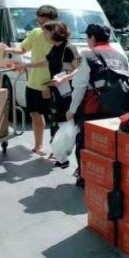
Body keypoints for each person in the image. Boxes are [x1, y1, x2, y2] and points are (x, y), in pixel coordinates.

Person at [66, 24, 129, 187]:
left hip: (94, 109)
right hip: (118, 109)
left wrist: (72, 110)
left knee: (86, 143)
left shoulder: (88, 55)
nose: (87, 41)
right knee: (111, 145)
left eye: (87, 38)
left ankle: (84, 176)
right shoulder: (120, 56)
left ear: (93, 38)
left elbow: (80, 86)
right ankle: (111, 179)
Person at [16, 21, 80, 167]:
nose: (44, 35)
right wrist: (26, 65)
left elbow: (80, 69)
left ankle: (64, 157)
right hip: (56, 90)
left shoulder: (69, 48)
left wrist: (64, 78)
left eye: (45, 32)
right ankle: (59, 155)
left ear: (54, 32)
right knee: (56, 122)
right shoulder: (54, 48)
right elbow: (45, 62)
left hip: (68, 92)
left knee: (66, 124)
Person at [0, 5, 58, 156]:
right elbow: (23, 49)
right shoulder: (36, 33)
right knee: (35, 115)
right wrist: (8, 49)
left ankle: (57, 152)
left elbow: (50, 62)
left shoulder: (58, 37)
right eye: (38, 22)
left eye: (43, 22)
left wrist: (50, 84)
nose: (40, 25)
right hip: (33, 83)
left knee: (55, 119)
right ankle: (38, 146)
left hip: (51, 84)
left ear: (53, 21)